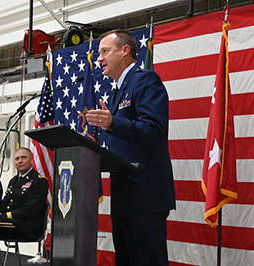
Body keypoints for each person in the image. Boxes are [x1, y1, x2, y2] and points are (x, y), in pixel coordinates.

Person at [86, 29, 176, 266]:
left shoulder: (145, 80)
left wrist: (114, 122)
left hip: (145, 194)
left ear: (125, 50)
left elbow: (154, 130)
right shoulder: (116, 92)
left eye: (105, 51)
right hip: (125, 195)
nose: (99, 58)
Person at [0, 147, 48, 266]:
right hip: (12, 223)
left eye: (23, 157)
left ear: (31, 160)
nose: (20, 161)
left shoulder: (39, 181)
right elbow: (4, 204)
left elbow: (30, 210)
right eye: (17, 158)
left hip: (28, 226)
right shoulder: (14, 181)